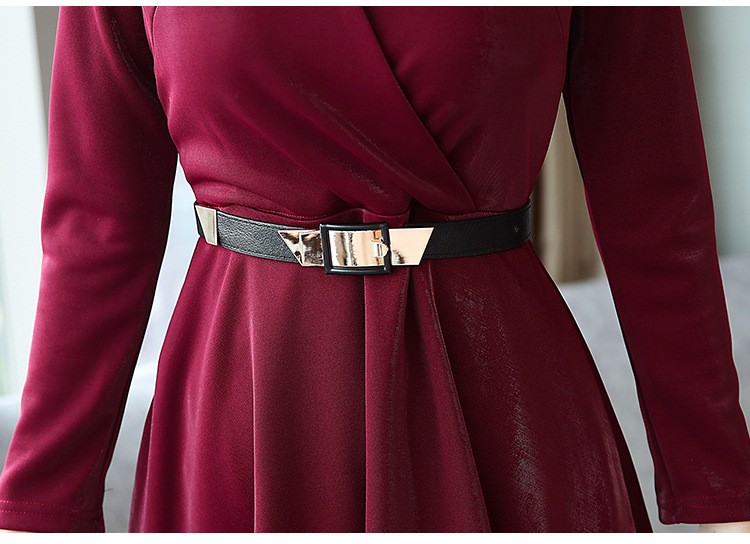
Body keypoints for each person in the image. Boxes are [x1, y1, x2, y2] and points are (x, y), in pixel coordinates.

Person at [0, 5, 749, 533]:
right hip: (246, 408)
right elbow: (97, 228)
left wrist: (721, 491)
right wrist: (41, 502)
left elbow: (658, 211)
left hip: (498, 402)